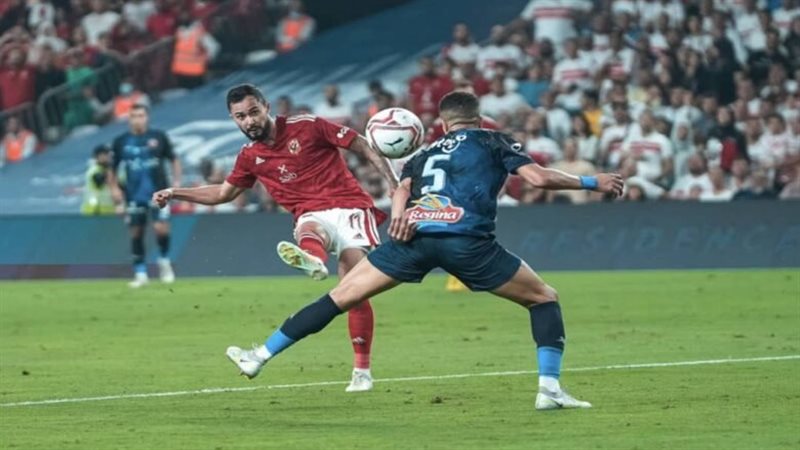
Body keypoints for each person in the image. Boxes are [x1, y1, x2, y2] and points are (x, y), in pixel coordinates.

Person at [186, 91, 623, 411]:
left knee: (340, 297)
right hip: (466, 242)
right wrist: (593, 181)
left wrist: (398, 215)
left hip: (413, 240)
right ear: (479, 119)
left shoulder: (423, 153)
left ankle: (260, 355)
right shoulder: (493, 141)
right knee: (543, 298)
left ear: (442, 124)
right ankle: (549, 389)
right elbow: (539, 179)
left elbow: (402, 191)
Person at [151, 84, 399, 393]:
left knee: (354, 290)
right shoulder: (250, 156)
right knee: (310, 226)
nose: (249, 121)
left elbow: (360, 143)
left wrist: (393, 182)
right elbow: (223, 193)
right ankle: (313, 259)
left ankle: (361, 371)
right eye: (240, 116)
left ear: (266, 107)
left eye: (253, 112)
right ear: (233, 119)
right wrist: (175, 192)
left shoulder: (307, 125)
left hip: (350, 207)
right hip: (311, 214)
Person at [109, 104, 181, 288]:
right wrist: (114, 189)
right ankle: (140, 273)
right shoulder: (121, 141)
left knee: (161, 229)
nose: (137, 119)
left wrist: (176, 182)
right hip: (134, 195)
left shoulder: (159, 137)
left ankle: (164, 262)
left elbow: (174, 159)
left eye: (141, 115)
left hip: (159, 194)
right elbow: (112, 168)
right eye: (134, 116)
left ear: (147, 117)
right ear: (129, 119)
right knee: (136, 232)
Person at [80, 144, 116, 215]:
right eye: (106, 154)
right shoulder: (95, 170)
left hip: (107, 210)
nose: (109, 157)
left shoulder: (106, 169)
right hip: (95, 210)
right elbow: (99, 181)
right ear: (98, 156)